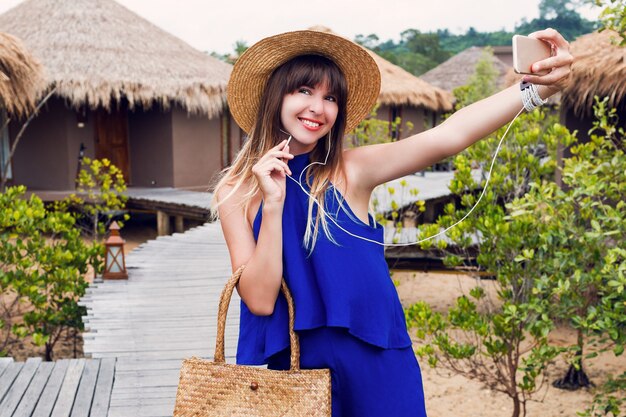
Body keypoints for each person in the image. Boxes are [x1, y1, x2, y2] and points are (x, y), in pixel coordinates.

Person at [213, 28, 572, 416]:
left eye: (330, 97)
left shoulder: (350, 170)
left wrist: (536, 90)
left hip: (378, 361)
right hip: (298, 371)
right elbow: (261, 301)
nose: (318, 108)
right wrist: (273, 204)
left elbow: (447, 136)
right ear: (276, 95)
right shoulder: (236, 191)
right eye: (304, 91)